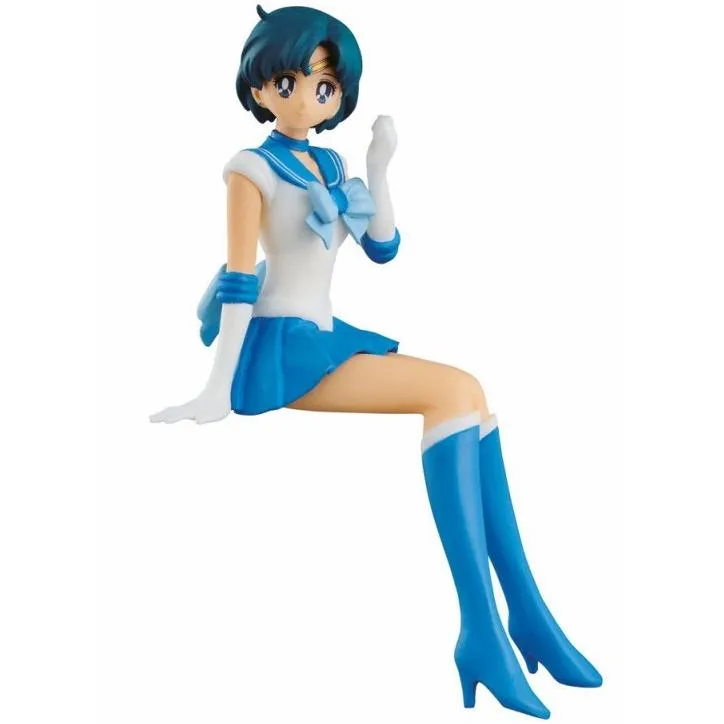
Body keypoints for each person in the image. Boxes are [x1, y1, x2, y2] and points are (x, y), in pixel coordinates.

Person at [150, 5, 601, 717]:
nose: (308, 98)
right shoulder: (249, 169)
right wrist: (215, 386)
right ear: (260, 87)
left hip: (325, 334)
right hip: (281, 350)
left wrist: (379, 167)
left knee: (470, 399)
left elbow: (383, 248)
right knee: (454, 391)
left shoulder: (330, 164)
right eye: (290, 82)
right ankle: (489, 626)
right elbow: (239, 280)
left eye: (324, 86)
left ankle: (521, 616)